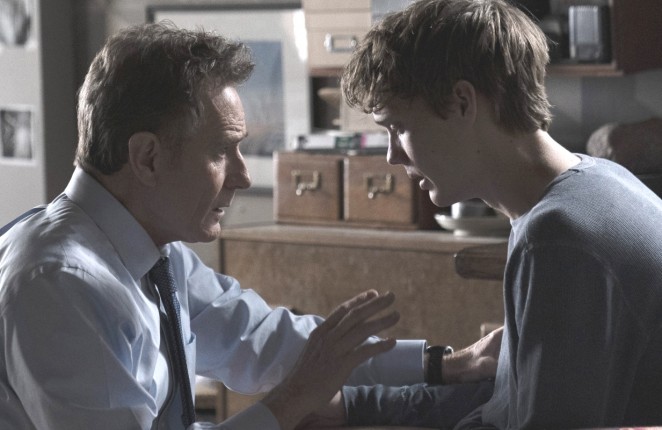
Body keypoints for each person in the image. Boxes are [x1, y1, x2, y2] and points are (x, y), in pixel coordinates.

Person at [0, 22, 500, 430]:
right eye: (222, 151)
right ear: (147, 157)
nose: (241, 176)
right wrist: (292, 402)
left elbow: (261, 339)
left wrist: (443, 364)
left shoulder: (155, 254)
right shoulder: (59, 285)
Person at [324, 0, 662, 428]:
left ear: (462, 103)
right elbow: (505, 400)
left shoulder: (557, 237)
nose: (393, 156)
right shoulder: (598, 181)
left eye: (398, 127)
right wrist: (355, 406)